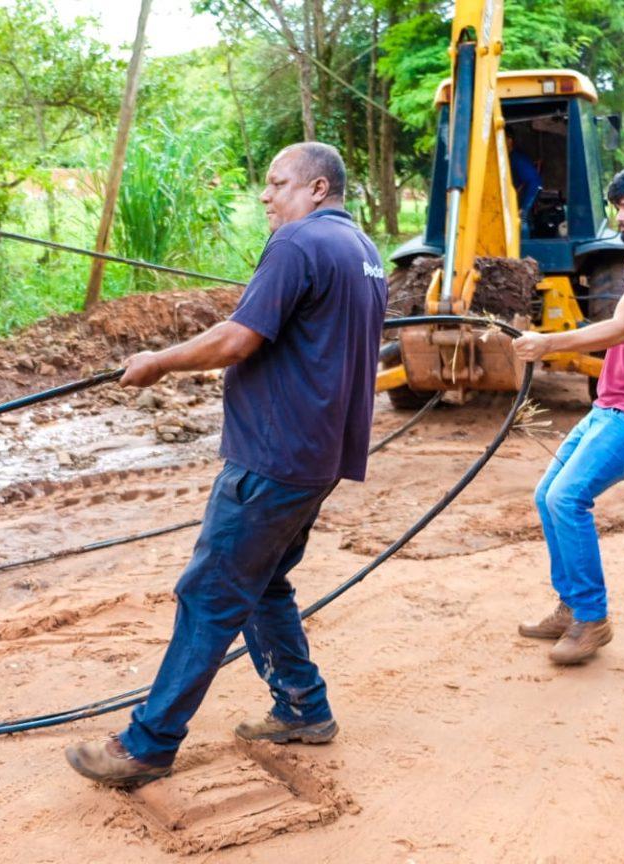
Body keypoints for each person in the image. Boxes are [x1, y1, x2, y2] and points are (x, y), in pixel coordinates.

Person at [64, 143, 387, 787]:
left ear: (317, 188)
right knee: (262, 583)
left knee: (210, 593)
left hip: (273, 455)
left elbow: (239, 338)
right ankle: (303, 708)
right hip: (319, 455)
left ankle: (148, 744)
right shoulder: (364, 250)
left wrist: (158, 361)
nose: (266, 195)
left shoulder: (297, 242)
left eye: (277, 182)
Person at [510, 161, 624, 665]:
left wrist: (547, 343)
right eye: (618, 208)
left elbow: (619, 328)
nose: (622, 216)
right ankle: (572, 606)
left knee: (568, 497)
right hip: (614, 405)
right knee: (548, 494)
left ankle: (592, 619)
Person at [506, 129, 543, 233]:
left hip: (518, 210)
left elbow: (535, 182)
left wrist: (524, 209)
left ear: (509, 141)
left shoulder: (518, 159)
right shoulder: (506, 159)